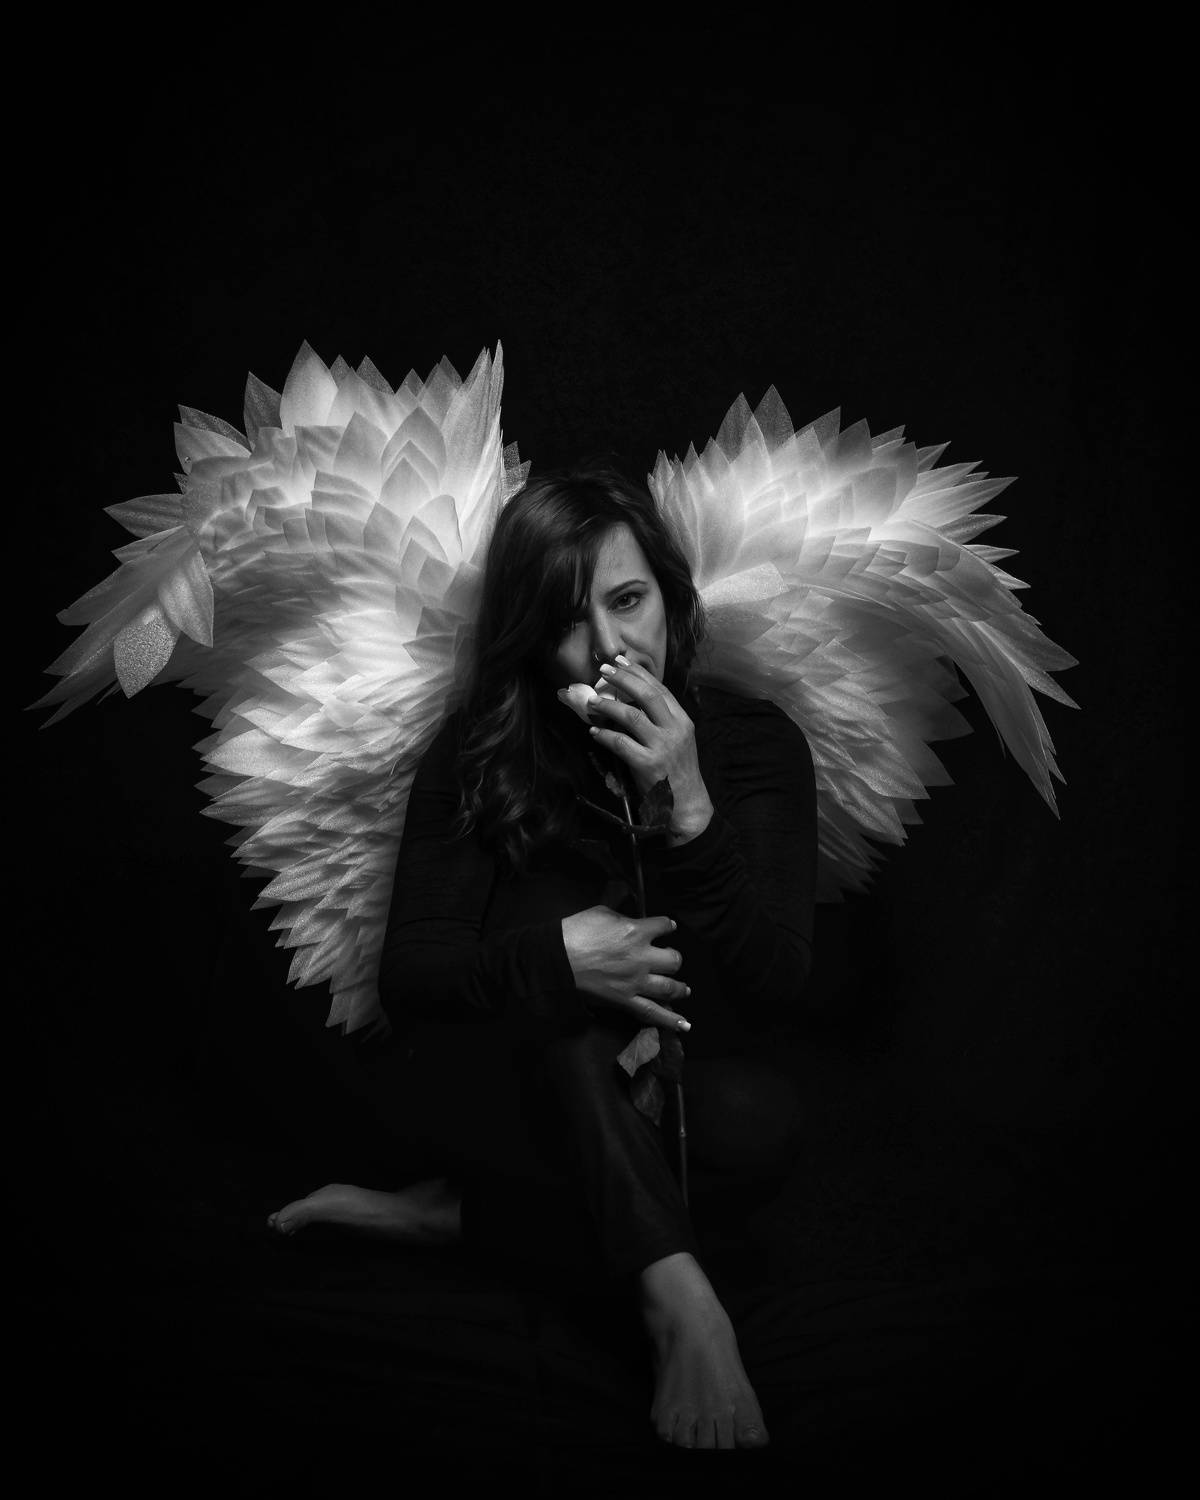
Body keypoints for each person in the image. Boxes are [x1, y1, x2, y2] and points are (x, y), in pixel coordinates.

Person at [268, 464, 818, 1451]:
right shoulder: (478, 752)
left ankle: (462, 1219)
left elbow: (776, 983)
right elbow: (413, 983)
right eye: (568, 620)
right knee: (572, 1028)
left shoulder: (756, 746)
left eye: (628, 601)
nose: (610, 647)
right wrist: (558, 962)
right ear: (527, 635)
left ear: (671, 597)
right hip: (512, 1092)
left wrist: (691, 808)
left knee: (761, 1127)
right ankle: (681, 1307)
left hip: (680, 1109)